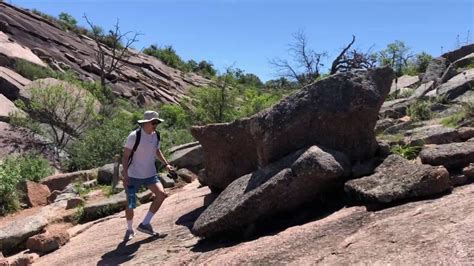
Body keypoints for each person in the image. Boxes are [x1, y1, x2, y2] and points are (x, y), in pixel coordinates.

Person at [121, 110, 173, 241]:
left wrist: (166, 164)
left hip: (150, 174)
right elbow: (126, 156)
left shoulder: (156, 135)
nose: (156, 125)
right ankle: (129, 229)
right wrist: (125, 175)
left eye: (157, 122)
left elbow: (156, 150)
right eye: (153, 122)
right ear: (146, 123)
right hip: (133, 175)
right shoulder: (134, 136)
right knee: (131, 203)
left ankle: (145, 224)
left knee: (161, 195)